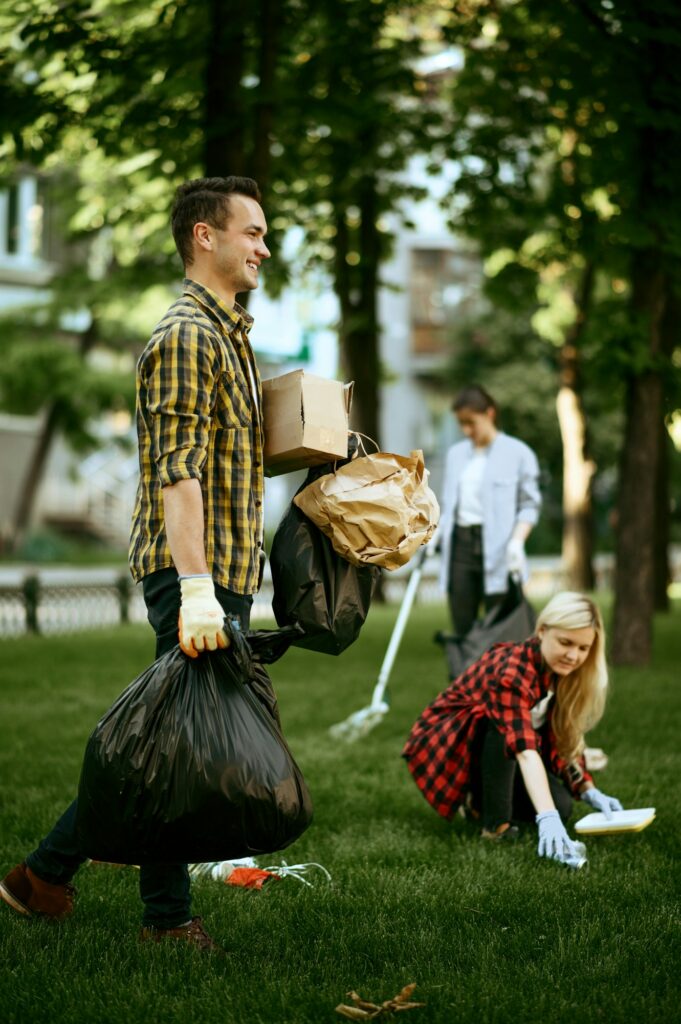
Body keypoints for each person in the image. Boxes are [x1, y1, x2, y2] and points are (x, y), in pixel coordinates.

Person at [0, 176, 271, 950]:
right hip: (196, 572)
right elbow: (178, 472)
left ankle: (43, 876)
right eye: (250, 232)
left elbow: (227, 462)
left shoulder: (228, 334)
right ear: (203, 237)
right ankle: (162, 919)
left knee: (167, 743)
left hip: (220, 569)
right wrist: (195, 592)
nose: (262, 247)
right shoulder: (187, 334)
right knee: (172, 749)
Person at [403, 592, 624, 864]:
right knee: (501, 729)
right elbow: (522, 748)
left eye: (583, 648)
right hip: (453, 747)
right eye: (565, 642)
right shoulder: (512, 670)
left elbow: (561, 738)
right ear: (542, 631)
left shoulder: (564, 675)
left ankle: (480, 805)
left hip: (510, 749)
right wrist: (547, 817)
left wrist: (588, 790)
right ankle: (494, 825)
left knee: (563, 806)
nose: (572, 655)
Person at [437, 385, 541, 639]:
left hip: (500, 548)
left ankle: (499, 678)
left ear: (490, 414)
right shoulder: (455, 455)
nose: (466, 430)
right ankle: (464, 676)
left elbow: (530, 505)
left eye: (471, 422)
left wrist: (517, 542)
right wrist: (436, 532)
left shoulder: (518, 453)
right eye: (461, 423)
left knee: (501, 631)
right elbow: (449, 504)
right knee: (463, 626)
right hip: (460, 548)